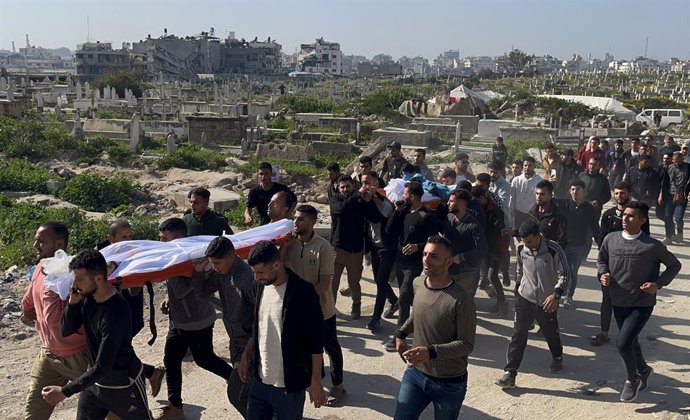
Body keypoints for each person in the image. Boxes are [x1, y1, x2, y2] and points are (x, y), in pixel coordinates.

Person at [41, 250, 152, 419]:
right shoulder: (88, 297)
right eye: (74, 278)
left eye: (79, 279)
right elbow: (66, 330)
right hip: (94, 386)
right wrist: (73, 302)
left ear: (99, 279)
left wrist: (64, 392)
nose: (75, 283)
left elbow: (103, 366)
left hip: (123, 385)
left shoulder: (115, 313)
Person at [597, 202, 681, 402]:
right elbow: (602, 261)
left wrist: (657, 284)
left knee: (623, 342)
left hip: (641, 303)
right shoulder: (611, 239)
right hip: (618, 300)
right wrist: (603, 274)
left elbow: (674, 265)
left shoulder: (652, 245)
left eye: (631, 216)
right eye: (624, 215)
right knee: (631, 340)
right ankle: (643, 369)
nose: (625, 219)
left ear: (642, 221)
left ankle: (631, 379)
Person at [153, 220, 234, 420]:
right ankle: (175, 407)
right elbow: (178, 290)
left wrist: (174, 277)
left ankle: (238, 381)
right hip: (180, 320)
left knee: (205, 359)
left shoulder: (191, 258)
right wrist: (167, 298)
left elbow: (181, 289)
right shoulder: (177, 255)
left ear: (178, 238)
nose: (160, 242)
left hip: (196, 321)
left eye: (164, 239)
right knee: (171, 360)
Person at [238, 241, 326, 419]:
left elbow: (315, 342)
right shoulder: (259, 286)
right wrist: (246, 356)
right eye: (254, 272)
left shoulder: (304, 292)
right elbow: (259, 327)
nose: (256, 278)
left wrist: (315, 380)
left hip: (289, 387)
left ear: (277, 265)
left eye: (260, 272)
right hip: (260, 380)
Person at [393, 235, 476, 420]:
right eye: (424, 254)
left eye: (434, 257)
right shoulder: (418, 283)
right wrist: (401, 333)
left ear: (448, 262)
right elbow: (418, 314)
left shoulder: (462, 299)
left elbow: (466, 344)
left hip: (449, 383)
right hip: (415, 374)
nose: (426, 260)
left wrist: (431, 352)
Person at [21, 223, 89, 420]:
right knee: (34, 413)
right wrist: (26, 310)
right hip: (49, 354)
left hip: (78, 356)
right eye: (36, 240)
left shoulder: (72, 274)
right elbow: (30, 296)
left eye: (41, 241)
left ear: (59, 244)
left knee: (112, 405)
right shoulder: (40, 269)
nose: (36, 245)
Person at [280, 205, 345, 407]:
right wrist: (283, 246)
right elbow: (279, 266)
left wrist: (303, 302)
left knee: (330, 346)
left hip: (321, 310)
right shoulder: (290, 244)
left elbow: (325, 283)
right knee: (304, 347)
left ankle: (338, 385)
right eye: (295, 219)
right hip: (297, 309)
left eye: (301, 220)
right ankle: (314, 378)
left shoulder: (323, 247)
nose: (296, 223)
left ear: (312, 222)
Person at [495, 220, 569, 389]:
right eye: (523, 241)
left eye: (529, 241)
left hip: (547, 301)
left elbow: (565, 274)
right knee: (518, 334)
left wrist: (556, 294)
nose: (526, 245)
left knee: (550, 333)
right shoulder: (522, 249)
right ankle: (510, 373)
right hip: (524, 299)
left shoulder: (553, 249)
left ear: (538, 236)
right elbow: (520, 269)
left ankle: (557, 357)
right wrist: (517, 285)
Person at [97, 220, 165, 397]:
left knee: (116, 354)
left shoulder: (135, 255)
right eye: (123, 237)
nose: (127, 240)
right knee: (118, 354)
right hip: (110, 316)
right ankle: (151, 373)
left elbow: (136, 287)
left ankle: (143, 382)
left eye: (130, 236)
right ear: (110, 239)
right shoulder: (102, 256)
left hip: (128, 316)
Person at [192, 236, 256, 417]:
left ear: (232, 257)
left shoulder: (247, 278)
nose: (214, 267)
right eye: (212, 263)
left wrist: (247, 354)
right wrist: (197, 273)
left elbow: (260, 319)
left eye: (217, 262)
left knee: (236, 394)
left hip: (252, 344)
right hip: (235, 341)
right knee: (252, 392)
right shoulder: (220, 272)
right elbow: (204, 292)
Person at [591, 182, 650, 347]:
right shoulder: (608, 214)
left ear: (629, 194)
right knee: (607, 299)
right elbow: (602, 238)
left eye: (622, 193)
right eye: (616, 193)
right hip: (610, 264)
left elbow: (646, 240)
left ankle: (629, 336)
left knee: (628, 301)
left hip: (631, 265)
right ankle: (604, 333)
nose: (619, 196)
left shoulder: (638, 215)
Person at [384, 181, 440, 351]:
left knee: (404, 296)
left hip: (414, 264)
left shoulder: (426, 216)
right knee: (407, 298)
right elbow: (389, 230)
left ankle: (399, 335)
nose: (403, 196)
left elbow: (434, 241)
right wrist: (396, 211)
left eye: (405, 194)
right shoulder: (403, 212)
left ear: (413, 196)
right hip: (400, 262)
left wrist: (418, 246)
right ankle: (419, 323)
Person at [329, 174, 376, 317]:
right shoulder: (335, 200)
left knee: (354, 281)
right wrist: (358, 197)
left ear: (353, 186)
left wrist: (367, 201)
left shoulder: (360, 201)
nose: (345, 189)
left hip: (355, 250)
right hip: (337, 249)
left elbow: (371, 216)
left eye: (348, 186)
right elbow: (342, 209)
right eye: (342, 187)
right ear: (338, 188)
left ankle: (356, 304)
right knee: (332, 283)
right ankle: (330, 309)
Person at [359, 171, 399, 332]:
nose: (365, 186)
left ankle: (376, 318)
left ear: (376, 182)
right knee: (379, 279)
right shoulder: (363, 198)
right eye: (363, 183)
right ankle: (394, 300)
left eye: (368, 182)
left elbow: (386, 212)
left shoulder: (385, 195)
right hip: (374, 246)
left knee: (382, 281)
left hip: (387, 246)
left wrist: (374, 197)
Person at [558, 180, 601, 309]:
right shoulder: (563, 204)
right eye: (572, 189)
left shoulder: (588, 208)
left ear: (584, 191)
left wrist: (601, 243)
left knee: (572, 272)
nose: (575, 192)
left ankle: (568, 296)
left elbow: (595, 227)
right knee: (559, 271)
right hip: (561, 244)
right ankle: (558, 292)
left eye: (578, 189)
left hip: (578, 246)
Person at [472, 186, 509, 317]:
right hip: (486, 248)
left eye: (477, 200)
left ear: (483, 198)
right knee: (489, 275)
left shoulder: (494, 211)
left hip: (497, 247)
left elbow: (496, 232)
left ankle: (503, 304)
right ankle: (499, 302)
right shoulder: (480, 209)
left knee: (492, 275)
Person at [441, 189, 486, 297]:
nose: (448, 203)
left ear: (461, 204)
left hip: (465, 272)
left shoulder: (473, 226)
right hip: (448, 268)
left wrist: (461, 257)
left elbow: (482, 249)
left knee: (463, 303)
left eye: (451, 201)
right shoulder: (449, 217)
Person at [488, 160, 513, 287]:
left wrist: (487, 194)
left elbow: (502, 203)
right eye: (490, 171)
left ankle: (505, 272)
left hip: (504, 223)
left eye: (495, 172)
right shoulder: (487, 182)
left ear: (501, 172)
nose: (492, 174)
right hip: (490, 223)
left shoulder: (505, 185)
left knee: (503, 250)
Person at [508, 156, 543, 241]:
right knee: (518, 238)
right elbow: (512, 198)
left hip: (532, 215)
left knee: (531, 238)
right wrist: (511, 213)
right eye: (525, 165)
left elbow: (541, 199)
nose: (527, 168)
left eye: (530, 165)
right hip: (518, 214)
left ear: (534, 166)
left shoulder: (539, 181)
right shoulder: (516, 180)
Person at [527, 180, 568, 251]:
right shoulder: (532, 213)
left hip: (550, 256)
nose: (538, 197)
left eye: (542, 194)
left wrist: (551, 253)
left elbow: (562, 240)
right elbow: (527, 232)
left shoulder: (558, 215)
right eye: (537, 193)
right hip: (533, 255)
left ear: (550, 195)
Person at [659, 151, 690, 244]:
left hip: (682, 196)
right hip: (669, 195)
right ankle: (669, 236)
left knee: (678, 218)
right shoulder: (669, 167)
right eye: (675, 162)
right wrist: (661, 195)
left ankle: (679, 233)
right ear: (672, 160)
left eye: (679, 162)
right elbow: (664, 183)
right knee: (667, 216)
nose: (677, 164)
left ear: (682, 159)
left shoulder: (688, 167)